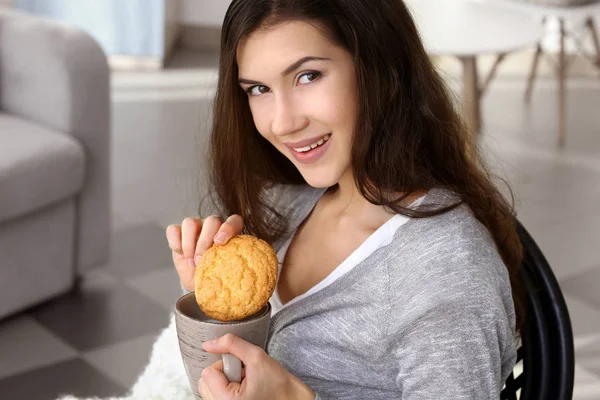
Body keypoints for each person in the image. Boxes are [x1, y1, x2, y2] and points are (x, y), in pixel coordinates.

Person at [165, 0, 525, 399]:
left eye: (308, 76)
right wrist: (215, 314)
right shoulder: (284, 205)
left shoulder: (444, 272)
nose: (283, 122)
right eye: (259, 89)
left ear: (380, 67)